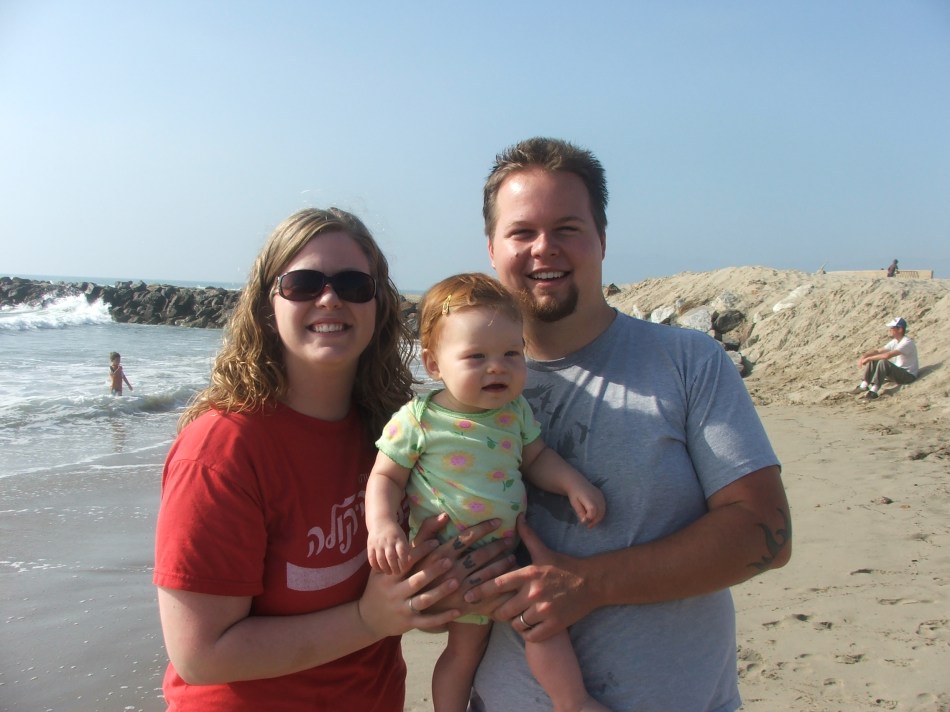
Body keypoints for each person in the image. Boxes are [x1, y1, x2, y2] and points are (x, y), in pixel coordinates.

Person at [464, 137, 792, 711]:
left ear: (602, 239)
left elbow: (766, 530)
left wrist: (589, 584)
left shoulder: (687, 363)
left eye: (567, 228)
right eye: (522, 232)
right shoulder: (459, 397)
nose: (544, 248)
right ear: (492, 248)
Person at [152, 208, 514, 711]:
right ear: (266, 307)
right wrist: (368, 620)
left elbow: (408, 588)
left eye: (353, 284)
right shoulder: (221, 449)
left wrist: (449, 584)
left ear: (379, 307)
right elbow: (201, 655)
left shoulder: (397, 430)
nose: (329, 298)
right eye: (302, 284)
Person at [366, 273, 608, 712]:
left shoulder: (515, 412)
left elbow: (537, 458)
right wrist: (382, 526)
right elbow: (385, 476)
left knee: (535, 626)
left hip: (507, 559)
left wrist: (573, 482)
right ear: (434, 364)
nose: (497, 367)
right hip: (448, 562)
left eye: (511, 353)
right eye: (476, 356)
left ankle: (572, 701)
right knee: (467, 652)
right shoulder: (418, 419)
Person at [854, 316, 919, 399]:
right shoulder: (895, 341)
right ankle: (864, 385)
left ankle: (873, 391)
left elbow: (887, 355)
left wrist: (868, 358)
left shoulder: (906, 342)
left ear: (900, 329)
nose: (890, 330)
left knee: (883, 362)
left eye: (892, 328)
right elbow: (878, 351)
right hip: (898, 372)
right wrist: (864, 356)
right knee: (875, 359)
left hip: (908, 376)